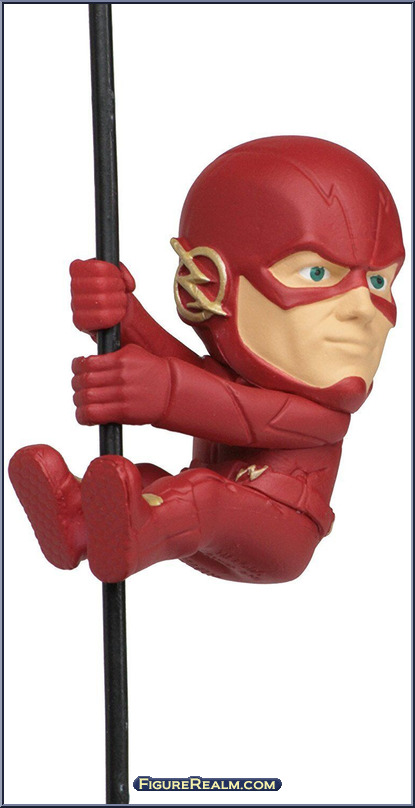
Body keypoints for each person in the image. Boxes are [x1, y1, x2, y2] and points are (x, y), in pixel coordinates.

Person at [9, 136, 405, 584]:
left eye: (379, 282)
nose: (363, 309)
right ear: (208, 285)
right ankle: (78, 521)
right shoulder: (238, 378)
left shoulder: (321, 418)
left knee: (200, 497)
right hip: (200, 526)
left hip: (279, 533)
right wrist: (123, 316)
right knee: (144, 482)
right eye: (317, 273)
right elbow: (198, 376)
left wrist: (163, 392)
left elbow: (236, 413)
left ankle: (138, 536)